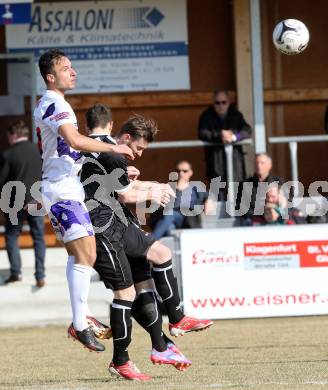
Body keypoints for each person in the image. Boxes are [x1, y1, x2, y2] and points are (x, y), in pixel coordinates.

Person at [80, 104, 212, 381]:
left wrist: (151, 185)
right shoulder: (112, 154)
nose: (139, 154)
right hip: (104, 227)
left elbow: (117, 188)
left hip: (119, 222)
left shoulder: (101, 149)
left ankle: (167, 335)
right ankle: (127, 357)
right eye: (138, 148)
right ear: (124, 136)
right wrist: (153, 191)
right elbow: (126, 196)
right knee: (127, 293)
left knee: (151, 269)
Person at [34, 49, 134, 352]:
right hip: (62, 190)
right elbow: (76, 141)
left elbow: (74, 149)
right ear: (51, 77)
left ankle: (80, 317)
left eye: (72, 67)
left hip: (67, 188)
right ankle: (79, 323)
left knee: (79, 255)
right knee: (86, 254)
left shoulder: (55, 103)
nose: (72, 72)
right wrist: (114, 150)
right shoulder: (55, 103)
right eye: (66, 68)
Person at [0, 120, 46, 287]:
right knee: (39, 237)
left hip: (15, 201)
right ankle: (40, 275)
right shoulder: (38, 150)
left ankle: (16, 272)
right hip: (37, 199)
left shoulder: (8, 154)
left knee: (12, 235)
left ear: (13, 135)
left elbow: (2, 181)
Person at [198, 89, 252, 198]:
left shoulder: (236, 114)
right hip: (215, 160)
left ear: (229, 102)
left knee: (238, 191)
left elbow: (247, 130)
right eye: (217, 103)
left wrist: (234, 137)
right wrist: (219, 135)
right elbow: (202, 133)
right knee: (218, 192)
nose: (221, 105)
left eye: (224, 102)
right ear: (213, 103)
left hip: (235, 160)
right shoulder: (206, 115)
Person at [151, 160, 209, 239]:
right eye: (178, 171)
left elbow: (209, 196)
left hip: (189, 220)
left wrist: (209, 201)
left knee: (169, 216)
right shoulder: (169, 188)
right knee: (169, 226)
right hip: (172, 218)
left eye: (185, 171)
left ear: (190, 173)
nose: (181, 173)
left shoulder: (196, 188)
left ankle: (150, 242)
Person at [237, 152, 284, 222]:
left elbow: (287, 201)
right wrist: (262, 214)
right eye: (257, 163)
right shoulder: (244, 184)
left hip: (277, 220)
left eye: (262, 163)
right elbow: (240, 207)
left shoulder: (279, 182)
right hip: (253, 222)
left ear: (269, 165)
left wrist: (275, 211)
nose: (259, 166)